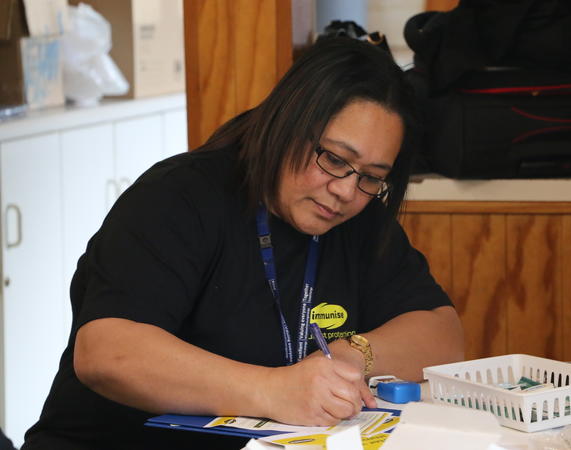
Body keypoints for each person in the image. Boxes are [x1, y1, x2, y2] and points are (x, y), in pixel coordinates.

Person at [22, 37, 464, 450]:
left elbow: (441, 333)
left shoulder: (358, 218)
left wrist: (347, 360)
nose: (346, 191)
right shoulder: (180, 197)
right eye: (333, 159)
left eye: (371, 177)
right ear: (288, 123)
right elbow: (107, 353)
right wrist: (273, 389)